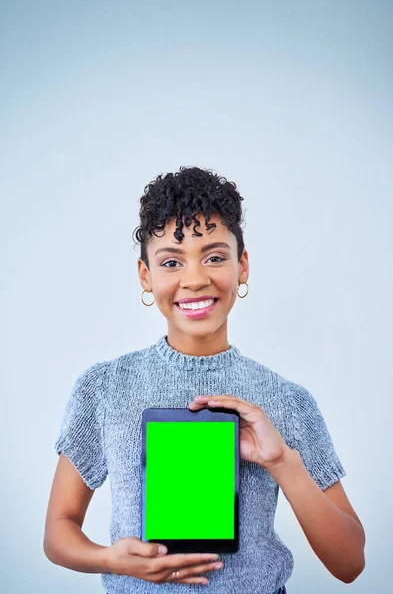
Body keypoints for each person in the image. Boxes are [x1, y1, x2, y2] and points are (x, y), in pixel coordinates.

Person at [43, 166, 365, 593]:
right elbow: (57, 532)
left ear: (242, 266)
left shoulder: (288, 401)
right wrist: (110, 559)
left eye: (214, 256)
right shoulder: (104, 387)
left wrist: (281, 460)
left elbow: (350, 562)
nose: (195, 279)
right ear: (146, 276)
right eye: (171, 262)